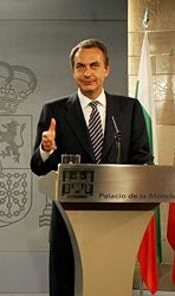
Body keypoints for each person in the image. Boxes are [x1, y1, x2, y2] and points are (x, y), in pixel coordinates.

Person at [30, 39, 151, 295]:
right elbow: (38, 167)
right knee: (67, 286)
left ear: (106, 69)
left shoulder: (129, 110)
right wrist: (47, 149)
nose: (87, 73)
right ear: (72, 71)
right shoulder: (55, 111)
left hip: (117, 221)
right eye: (80, 67)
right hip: (71, 224)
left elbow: (143, 161)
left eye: (94, 65)